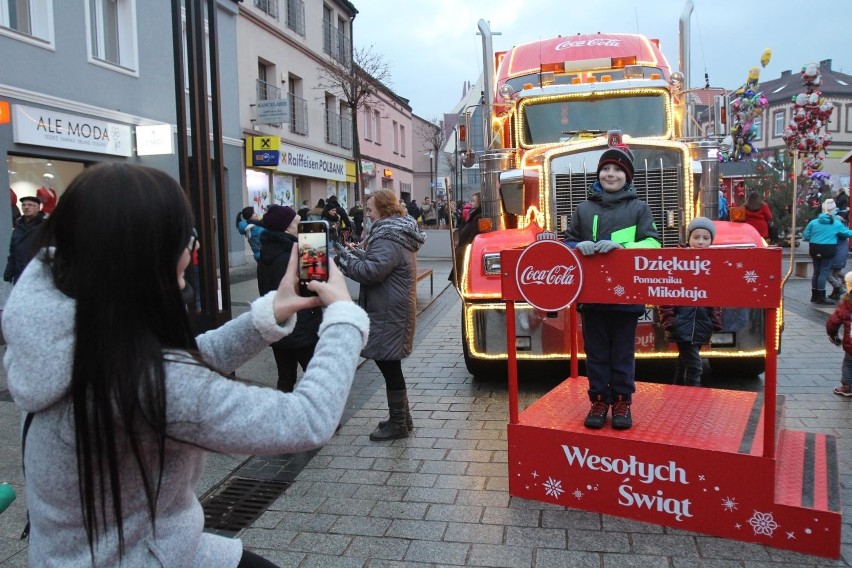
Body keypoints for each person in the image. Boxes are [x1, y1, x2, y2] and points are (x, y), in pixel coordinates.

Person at [2, 162, 368, 567]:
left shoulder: (61, 333)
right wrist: (344, 318)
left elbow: (182, 360)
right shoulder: (145, 384)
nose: (193, 250)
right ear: (148, 253)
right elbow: (307, 419)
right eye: (188, 237)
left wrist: (270, 315)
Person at [563, 143, 661, 430]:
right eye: (606, 168)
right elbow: (567, 243)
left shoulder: (639, 209)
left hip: (626, 298)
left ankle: (621, 402)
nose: (610, 173)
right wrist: (576, 245)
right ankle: (598, 400)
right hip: (592, 298)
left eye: (617, 169)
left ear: (627, 176)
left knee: (621, 353)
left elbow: (654, 244)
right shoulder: (583, 209)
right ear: (599, 174)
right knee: (595, 353)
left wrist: (623, 246)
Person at [333, 188, 425, 441]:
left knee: (388, 363)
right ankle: (402, 418)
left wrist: (344, 263)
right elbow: (379, 263)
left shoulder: (387, 237)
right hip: (392, 306)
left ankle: (398, 423)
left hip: (389, 309)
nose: (368, 215)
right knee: (389, 362)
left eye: (371, 210)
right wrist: (354, 254)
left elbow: (372, 272)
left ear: (383, 210)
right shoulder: (395, 232)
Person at [257, 204, 321, 392]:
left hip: (277, 326)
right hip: (302, 326)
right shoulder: (296, 254)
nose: (300, 225)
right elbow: (313, 290)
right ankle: (323, 421)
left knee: (285, 378)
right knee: (315, 377)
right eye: (296, 222)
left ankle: (281, 419)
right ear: (286, 228)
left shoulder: (266, 255)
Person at [659, 218, 723, 387]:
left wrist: (714, 320)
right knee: (695, 367)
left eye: (705, 238)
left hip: (702, 324)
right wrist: (670, 319)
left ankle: (677, 394)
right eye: (696, 237)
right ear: (689, 238)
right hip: (682, 324)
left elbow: (715, 296)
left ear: (711, 241)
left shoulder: (714, 264)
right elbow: (667, 293)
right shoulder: (677, 261)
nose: (700, 242)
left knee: (683, 364)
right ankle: (693, 399)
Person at [803, 198, 852, 305]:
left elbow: (806, 236)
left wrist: (814, 238)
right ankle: (821, 296)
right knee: (824, 272)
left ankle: (814, 295)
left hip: (814, 248)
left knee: (816, 272)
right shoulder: (835, 224)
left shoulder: (813, 222)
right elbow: (847, 233)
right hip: (828, 249)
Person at [4, 195, 46, 284]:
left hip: (38, 275)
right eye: (23, 205)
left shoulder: (45, 226)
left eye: (30, 205)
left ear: (38, 208)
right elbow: (13, 252)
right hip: (19, 274)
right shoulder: (18, 226)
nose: (26, 207)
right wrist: (9, 271)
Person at [826, 271, 852, 398]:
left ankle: (847, 387)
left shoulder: (846, 304)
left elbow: (833, 322)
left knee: (848, 363)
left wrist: (833, 335)